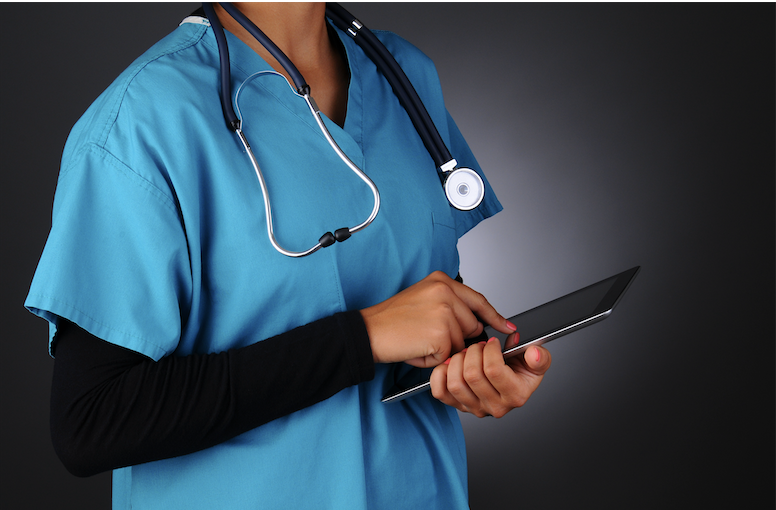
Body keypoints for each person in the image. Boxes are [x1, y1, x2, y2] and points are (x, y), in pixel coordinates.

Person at [25, 3, 551, 509]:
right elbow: (91, 421)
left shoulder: (403, 75)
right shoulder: (140, 121)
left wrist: (472, 366)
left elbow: (418, 306)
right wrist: (362, 338)